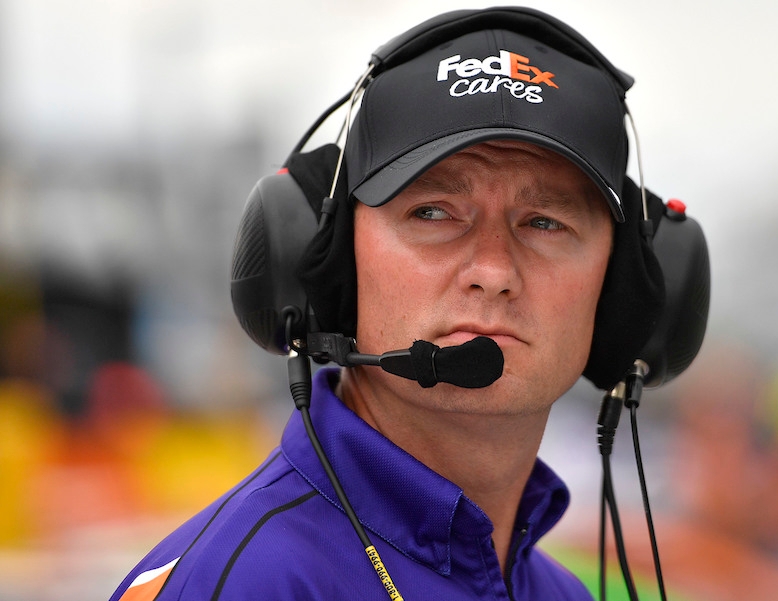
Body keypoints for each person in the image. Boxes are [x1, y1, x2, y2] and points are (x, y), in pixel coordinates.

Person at [111, 7, 708, 600]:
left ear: (622, 287)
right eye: (433, 213)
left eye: (545, 222)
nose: (493, 272)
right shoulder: (244, 584)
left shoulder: (563, 594)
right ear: (332, 258)